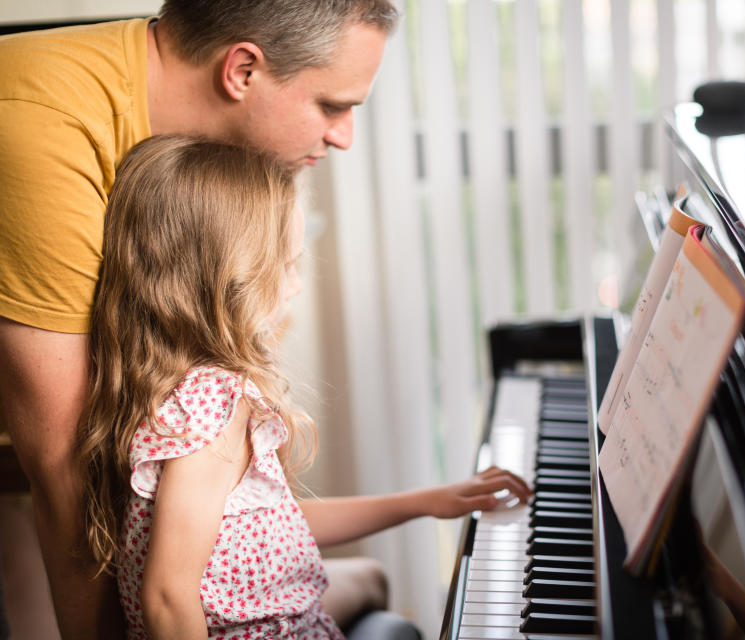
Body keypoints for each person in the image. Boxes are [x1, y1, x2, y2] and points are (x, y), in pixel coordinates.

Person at [0, 1, 398, 637]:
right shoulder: (40, 133)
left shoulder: (201, 174)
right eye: (331, 105)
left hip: (101, 470)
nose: (344, 135)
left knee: (359, 581)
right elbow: (61, 460)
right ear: (242, 70)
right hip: (35, 462)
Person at [78, 134, 531, 640]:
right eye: (287, 264)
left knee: (370, 577)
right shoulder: (215, 405)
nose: (296, 284)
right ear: (229, 278)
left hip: (266, 612)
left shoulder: (160, 383)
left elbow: (266, 529)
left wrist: (427, 501)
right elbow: (166, 598)